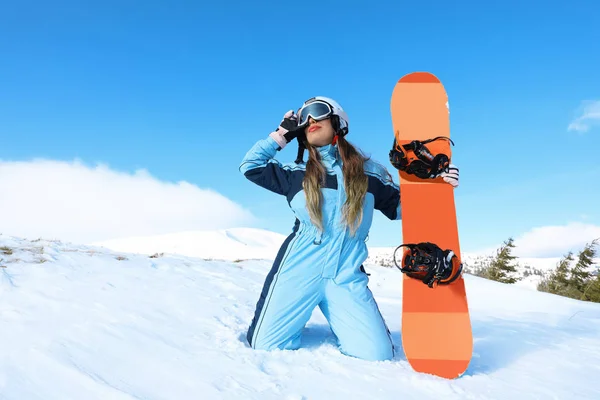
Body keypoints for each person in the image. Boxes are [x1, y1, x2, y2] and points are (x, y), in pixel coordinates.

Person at [239, 96, 459, 361]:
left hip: (345, 274)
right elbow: (250, 167)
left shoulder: (370, 173)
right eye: (303, 117)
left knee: (376, 354)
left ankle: (341, 316)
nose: (309, 120)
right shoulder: (296, 173)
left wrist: (436, 189)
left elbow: (401, 208)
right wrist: (281, 135)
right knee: (265, 345)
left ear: (338, 122)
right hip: (298, 269)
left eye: (317, 112)